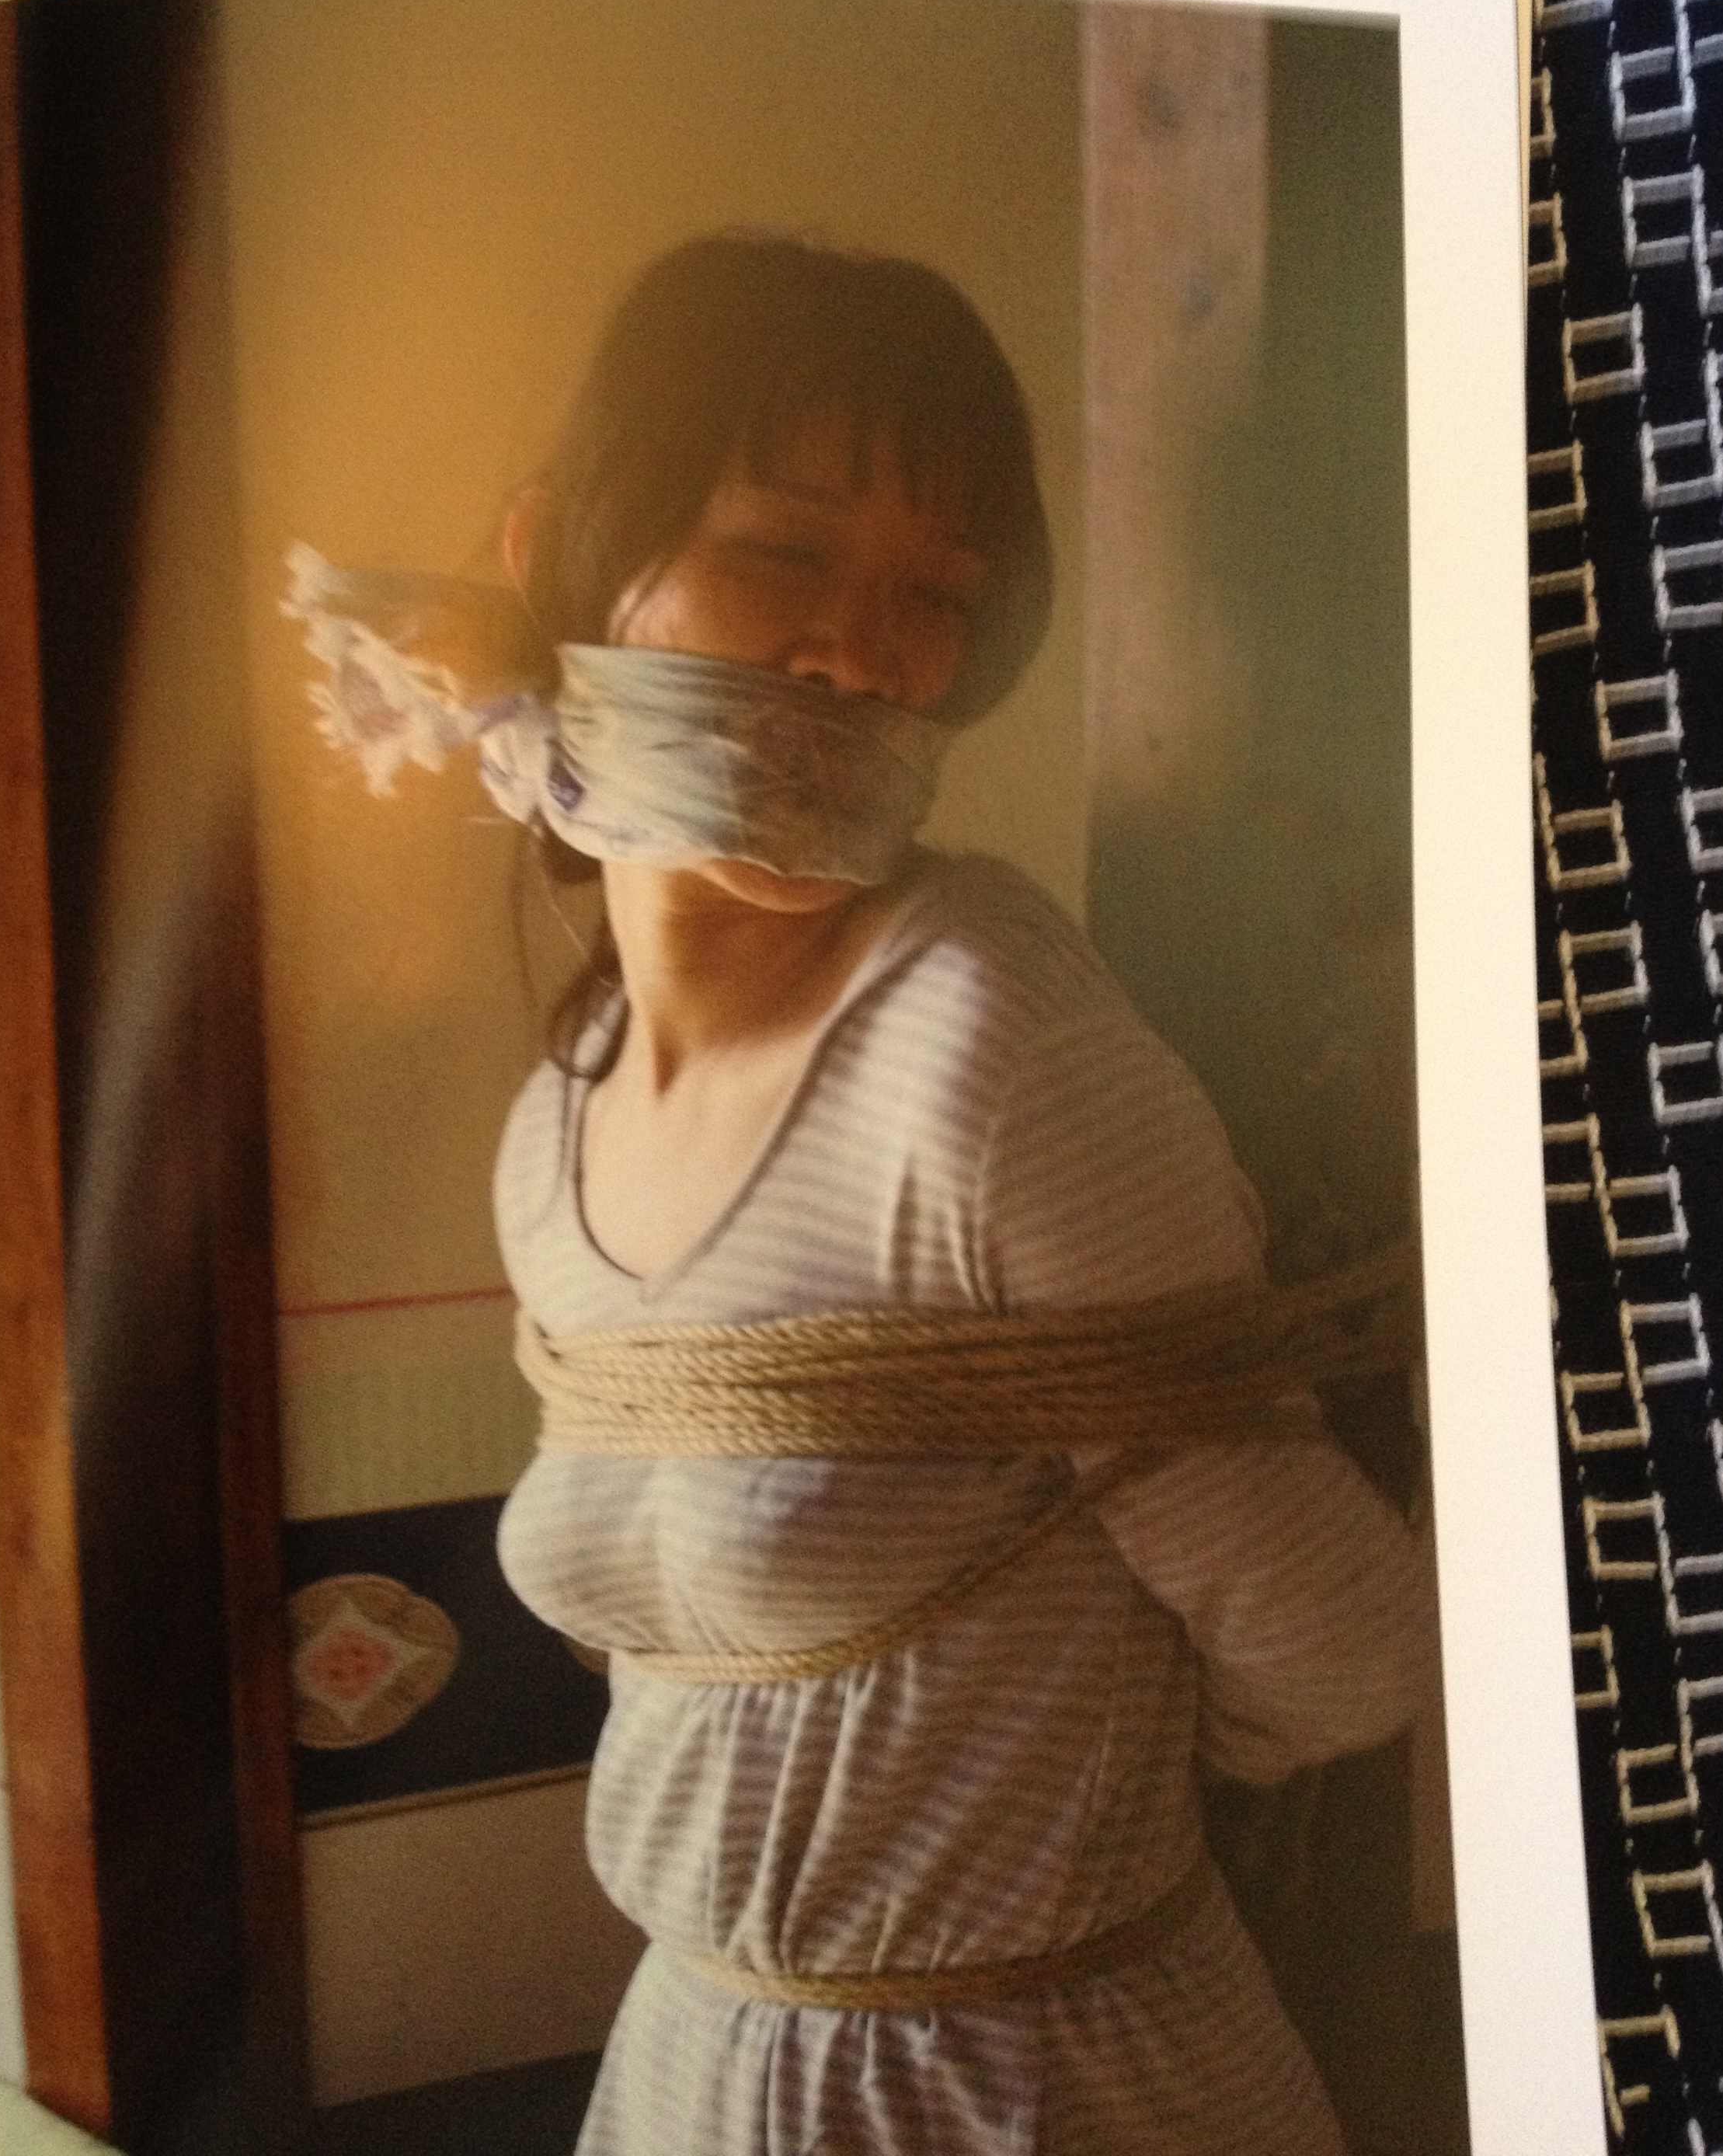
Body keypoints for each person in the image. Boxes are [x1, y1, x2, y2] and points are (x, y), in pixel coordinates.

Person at [326, 232, 1429, 2154]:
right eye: (781, 551)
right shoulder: (558, 1127)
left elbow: (1336, 1649)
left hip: (1046, 2077)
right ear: (556, 554)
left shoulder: (986, 1043)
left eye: (939, 596)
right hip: (686, 2070)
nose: (862, 654)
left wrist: (1061, 1820)